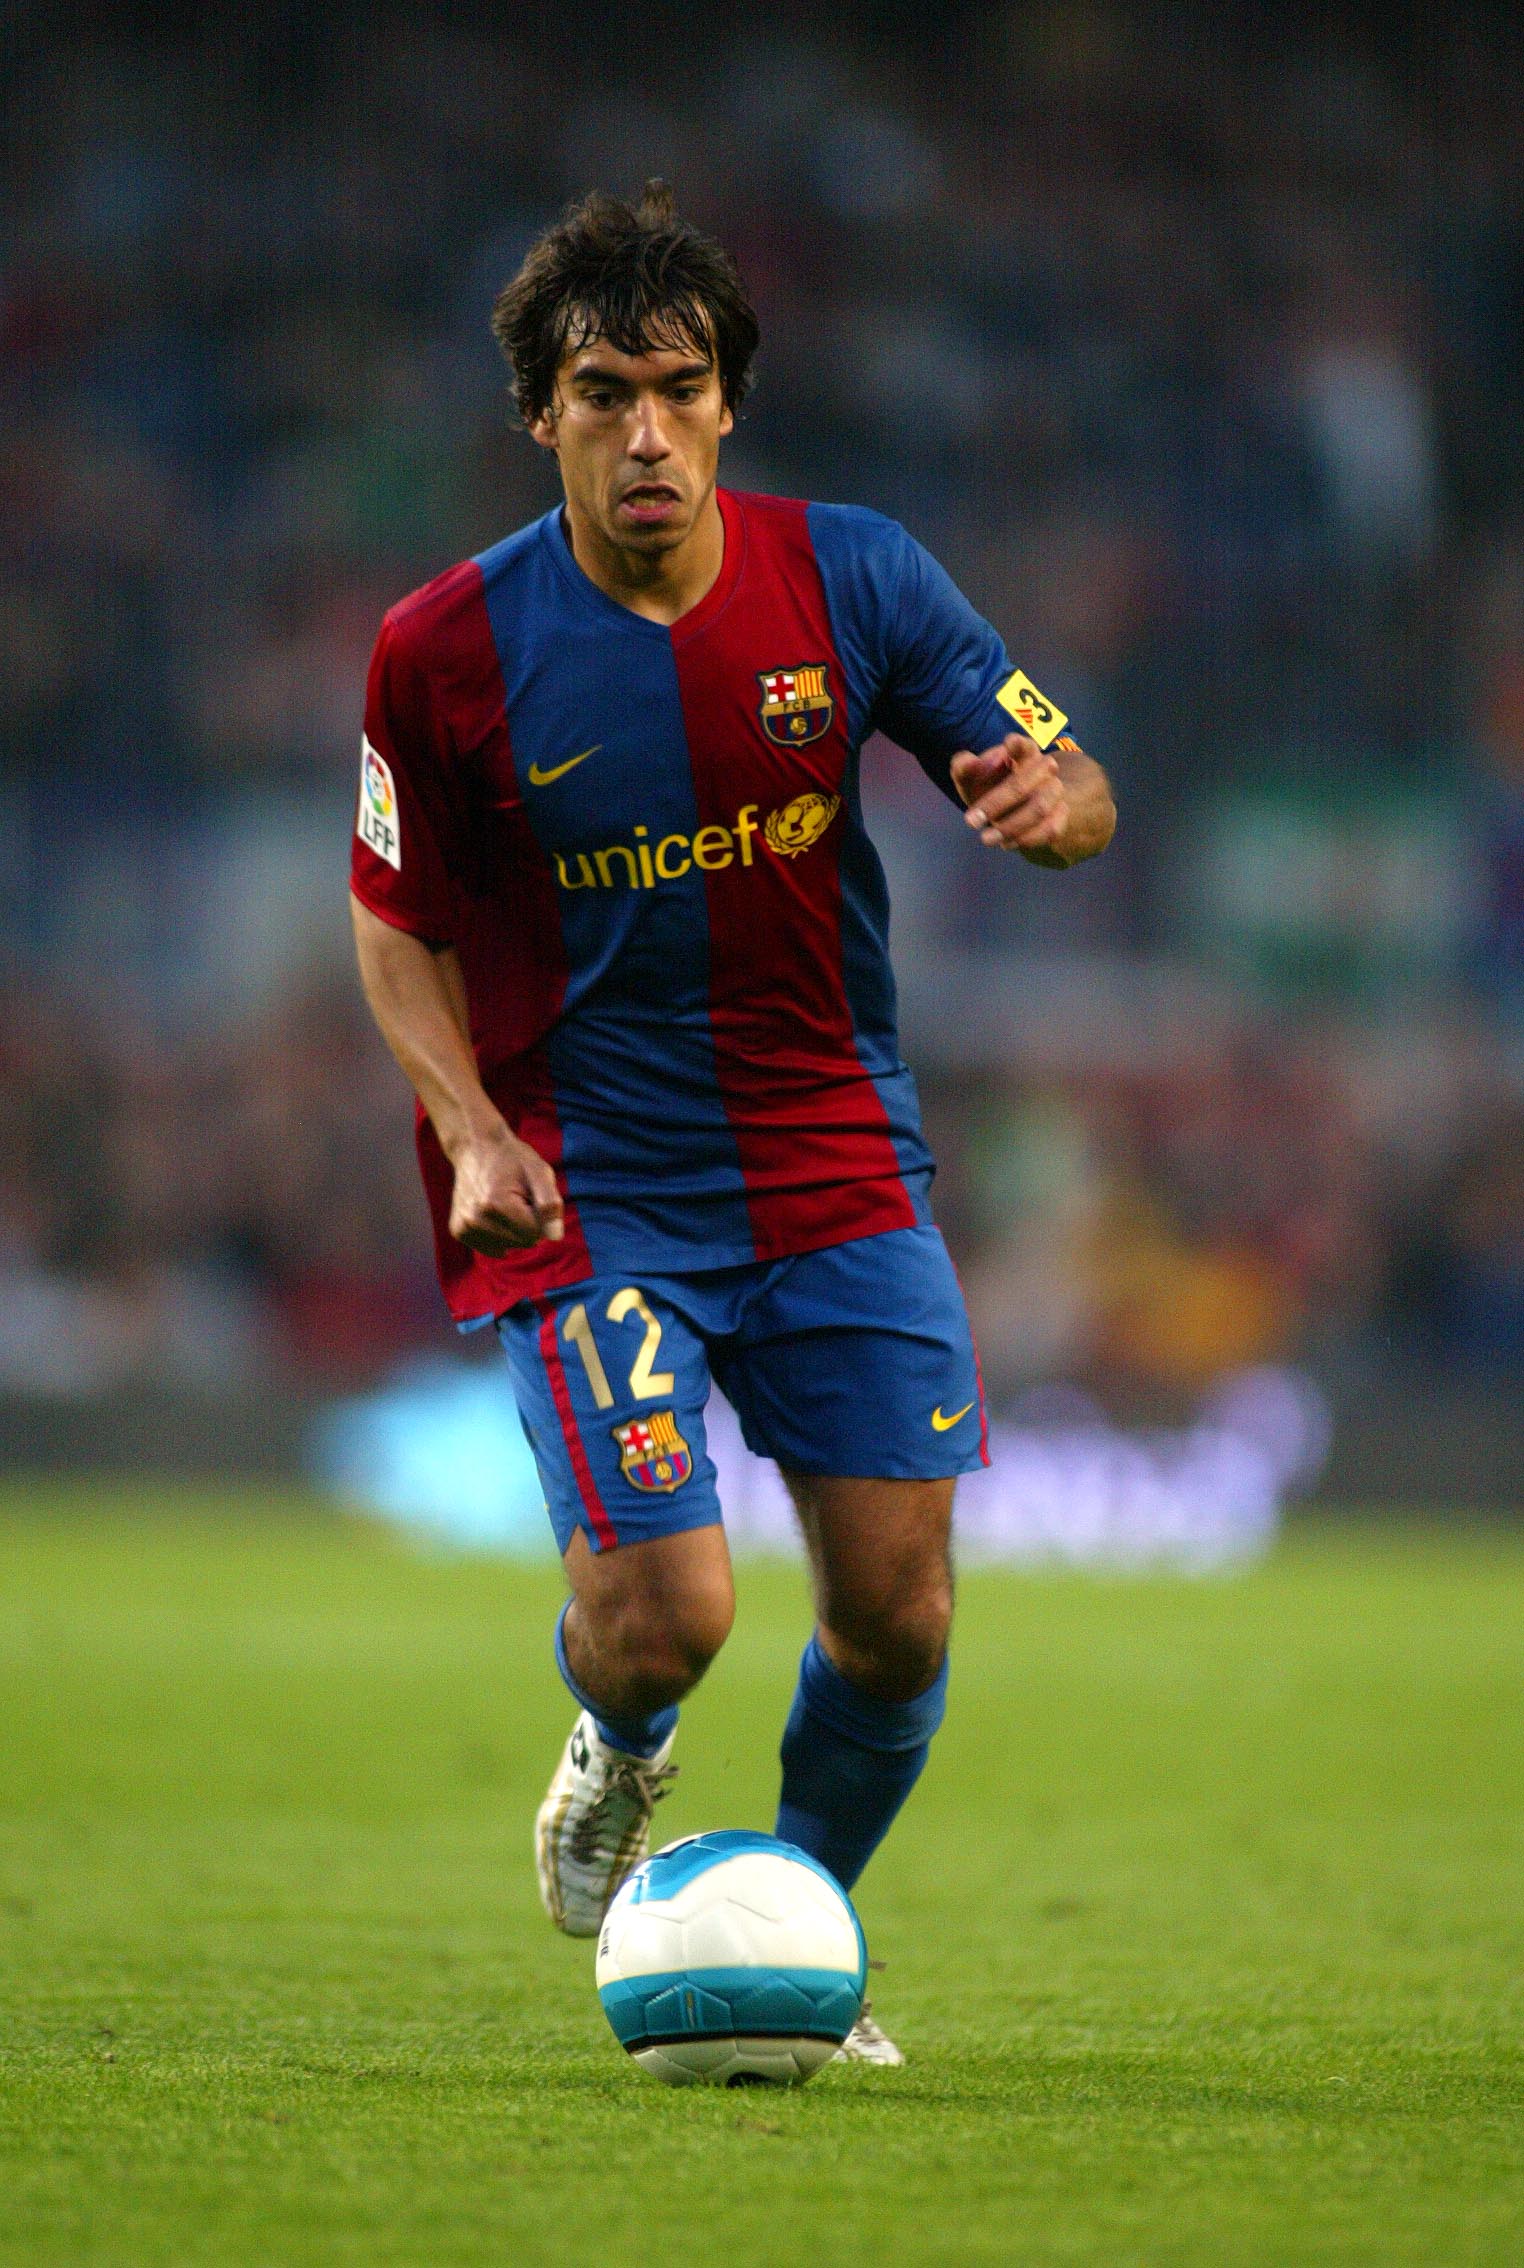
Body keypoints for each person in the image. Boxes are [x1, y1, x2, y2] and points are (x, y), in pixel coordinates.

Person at [349, 182, 1115, 2065]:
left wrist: (1054, 802)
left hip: (835, 1158)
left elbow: (1069, 769)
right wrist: (462, 1124)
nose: (646, 432)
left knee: (902, 1620)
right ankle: (616, 1750)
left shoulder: (854, 577)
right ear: (542, 413)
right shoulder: (444, 650)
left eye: (679, 390)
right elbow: (391, 921)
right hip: (588, 1184)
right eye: (602, 394)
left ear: (728, 404)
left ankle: (785, 1919)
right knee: (665, 1618)